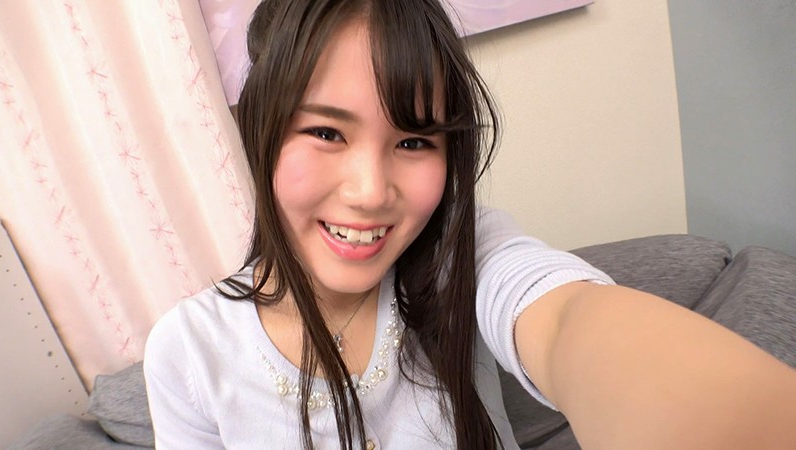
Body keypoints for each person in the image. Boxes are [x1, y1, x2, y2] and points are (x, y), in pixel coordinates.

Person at [144, 0, 796, 449]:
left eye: (414, 142)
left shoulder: (460, 252)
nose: (370, 194)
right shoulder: (189, 352)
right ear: (261, 132)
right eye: (326, 132)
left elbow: (564, 319)